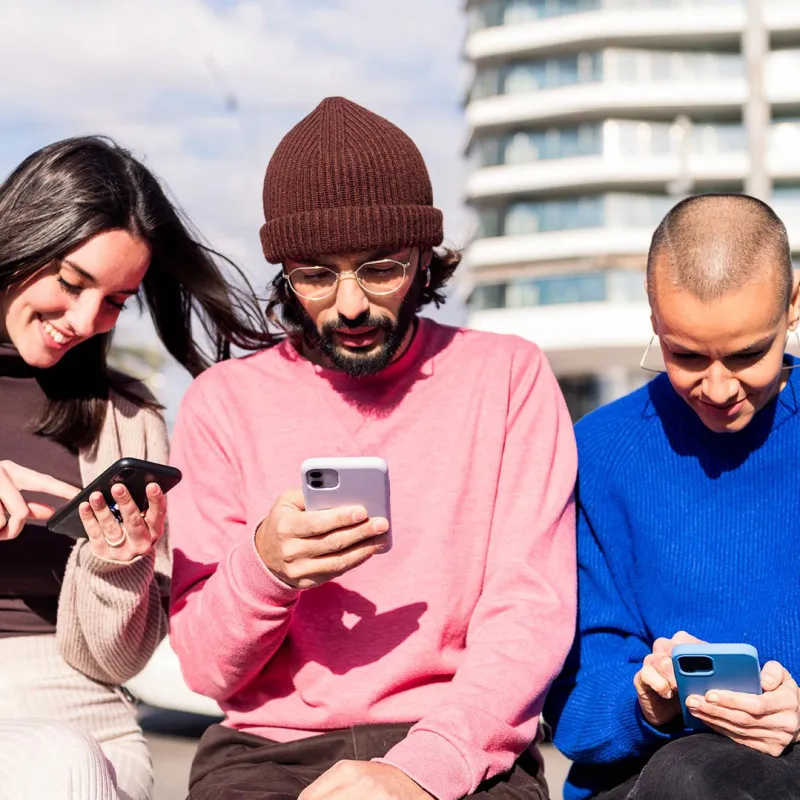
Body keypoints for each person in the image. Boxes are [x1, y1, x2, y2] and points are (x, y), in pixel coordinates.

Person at [168, 96, 578, 800]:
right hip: (266, 754)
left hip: (461, 747)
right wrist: (265, 569)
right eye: (317, 275)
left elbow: (528, 616)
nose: (349, 305)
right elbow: (207, 673)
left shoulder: (507, 377)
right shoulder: (223, 402)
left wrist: (420, 769)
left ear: (423, 258)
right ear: (285, 272)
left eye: (379, 268)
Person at [0, 135, 272, 800]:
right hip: (57, 757)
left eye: (117, 300)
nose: (86, 321)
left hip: (83, 709)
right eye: (72, 282)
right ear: (21, 238)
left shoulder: (129, 416)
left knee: (75, 765)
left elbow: (118, 662)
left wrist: (115, 563)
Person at [544, 194, 800, 800]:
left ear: (793, 306)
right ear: (654, 315)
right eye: (684, 355)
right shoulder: (599, 453)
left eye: (746, 355)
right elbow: (573, 711)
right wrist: (648, 705)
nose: (717, 388)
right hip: (655, 773)